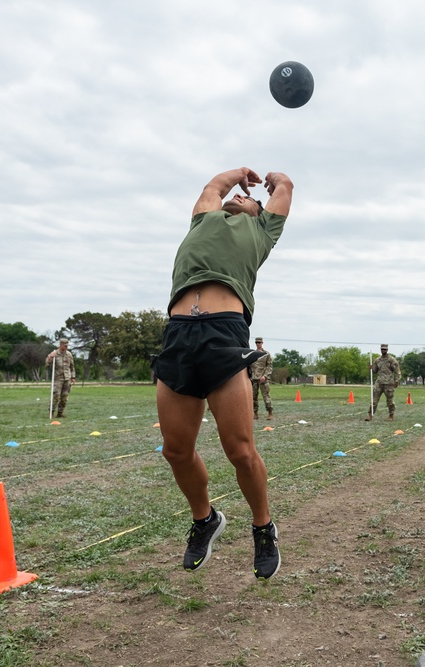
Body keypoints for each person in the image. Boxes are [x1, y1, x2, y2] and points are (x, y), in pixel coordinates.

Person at [152, 167, 292, 580]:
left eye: (247, 199)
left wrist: (274, 180)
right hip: (178, 334)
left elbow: (285, 191)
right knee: (175, 450)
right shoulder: (203, 218)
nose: (236, 199)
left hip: (224, 334)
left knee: (240, 451)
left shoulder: (263, 231)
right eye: (233, 197)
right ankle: (205, 519)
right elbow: (212, 187)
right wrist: (236, 176)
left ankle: (263, 527)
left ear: (258, 211)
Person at [366, 344, 401, 421]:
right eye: (382, 349)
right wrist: (371, 368)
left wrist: (397, 381)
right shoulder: (377, 360)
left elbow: (397, 371)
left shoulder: (392, 360)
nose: (383, 351)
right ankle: (370, 415)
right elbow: (375, 370)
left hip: (389, 383)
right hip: (379, 383)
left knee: (390, 401)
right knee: (374, 400)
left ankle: (391, 415)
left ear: (387, 350)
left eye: (384, 349)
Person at [46, 338, 76, 418]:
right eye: (65, 345)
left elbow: (72, 367)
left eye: (67, 345)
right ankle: (51, 412)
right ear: (60, 344)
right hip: (57, 379)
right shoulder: (54, 354)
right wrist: (50, 358)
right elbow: (47, 365)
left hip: (67, 379)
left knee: (64, 398)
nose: (66, 347)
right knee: (56, 396)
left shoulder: (69, 354)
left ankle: (60, 413)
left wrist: (73, 377)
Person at [250, 337, 274, 420]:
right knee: (253, 397)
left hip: (263, 379)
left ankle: (270, 412)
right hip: (254, 379)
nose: (258, 344)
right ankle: (255, 413)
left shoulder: (266, 354)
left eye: (259, 342)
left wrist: (265, 376)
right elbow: (249, 366)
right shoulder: (252, 354)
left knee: (266, 396)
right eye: (256, 342)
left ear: (262, 343)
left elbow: (269, 366)